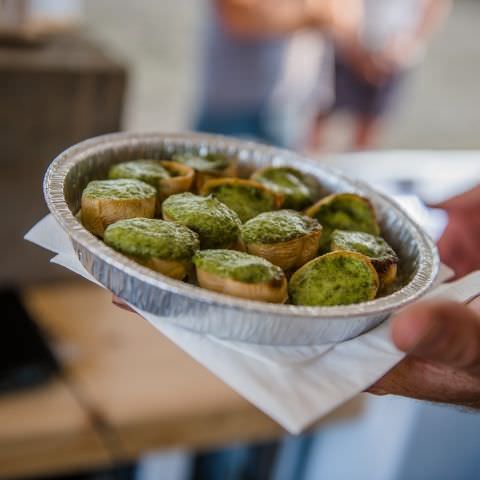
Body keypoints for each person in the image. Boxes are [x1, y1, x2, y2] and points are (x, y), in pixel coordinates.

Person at [194, 0, 362, 146]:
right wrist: (314, 12)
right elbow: (238, 15)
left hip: (296, 111)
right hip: (233, 109)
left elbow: (347, 18)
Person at [308, 0, 451, 151]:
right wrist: (354, 46)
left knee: (369, 133)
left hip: (397, 55)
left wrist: (408, 43)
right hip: (344, 48)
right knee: (317, 121)